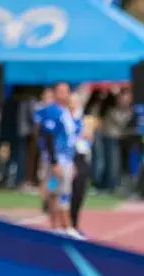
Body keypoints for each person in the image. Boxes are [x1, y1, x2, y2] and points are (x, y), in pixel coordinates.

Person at [38, 82, 80, 238]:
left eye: (66, 92)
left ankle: (61, 226)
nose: (64, 95)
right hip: (57, 160)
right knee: (57, 191)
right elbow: (47, 136)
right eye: (60, 92)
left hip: (66, 159)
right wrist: (54, 162)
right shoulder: (52, 111)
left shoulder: (65, 112)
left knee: (61, 191)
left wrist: (72, 160)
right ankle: (60, 226)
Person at [69, 93, 94, 237]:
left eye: (75, 102)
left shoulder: (84, 119)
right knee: (67, 192)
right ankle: (67, 224)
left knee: (80, 191)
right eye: (70, 102)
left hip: (82, 157)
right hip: (69, 157)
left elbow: (88, 137)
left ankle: (75, 223)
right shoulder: (65, 118)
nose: (72, 104)